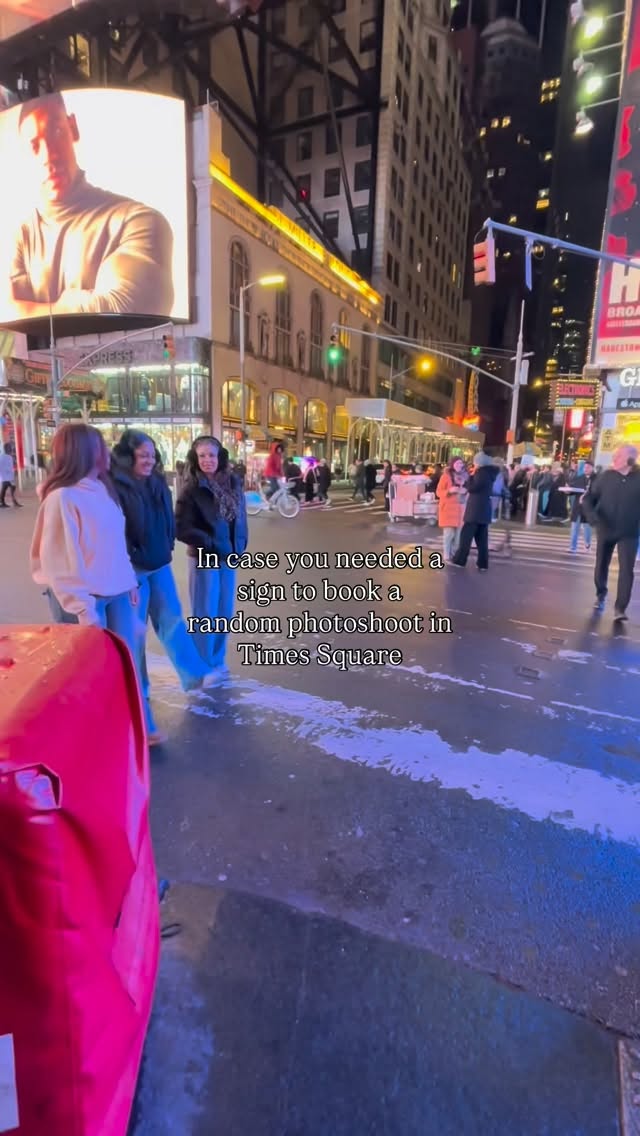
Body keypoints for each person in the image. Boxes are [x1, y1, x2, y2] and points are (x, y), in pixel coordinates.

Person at [29, 422, 164, 744]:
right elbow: (59, 562)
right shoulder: (62, 498)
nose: (106, 452)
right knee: (83, 673)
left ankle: (138, 727)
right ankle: (86, 742)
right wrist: (83, 610)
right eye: (98, 446)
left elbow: (115, 544)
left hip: (116, 591)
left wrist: (129, 582)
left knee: (125, 663)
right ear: (83, 452)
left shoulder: (103, 490)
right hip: (83, 597)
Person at [3, 93, 174, 322]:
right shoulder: (20, 236)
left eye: (55, 133)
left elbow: (126, 305)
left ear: (73, 128)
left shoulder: (137, 220)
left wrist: (30, 309)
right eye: (35, 145)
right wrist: (77, 303)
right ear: (26, 154)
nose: (48, 156)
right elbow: (7, 314)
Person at [111, 429, 209, 697]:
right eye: (143, 455)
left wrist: (167, 545)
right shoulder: (115, 487)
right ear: (127, 456)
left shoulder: (158, 483)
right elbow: (114, 530)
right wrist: (128, 558)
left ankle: (192, 674)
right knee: (136, 631)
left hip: (159, 563)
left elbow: (168, 519)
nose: (149, 461)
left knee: (172, 618)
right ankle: (138, 687)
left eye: (152, 456)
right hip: (132, 569)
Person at [175, 436, 248, 681]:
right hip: (204, 556)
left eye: (212, 455)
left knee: (224, 611)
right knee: (205, 613)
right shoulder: (191, 487)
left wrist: (240, 542)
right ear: (195, 458)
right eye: (202, 456)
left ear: (220, 457)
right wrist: (207, 541)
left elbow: (240, 516)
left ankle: (217, 659)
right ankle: (202, 663)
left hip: (229, 555)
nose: (207, 460)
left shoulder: (233, 482)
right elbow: (181, 527)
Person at [581, 445, 640, 621]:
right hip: (605, 528)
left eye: (618, 456)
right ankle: (601, 593)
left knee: (626, 570)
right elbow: (588, 498)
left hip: (629, 532)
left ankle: (620, 608)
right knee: (601, 564)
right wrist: (591, 516)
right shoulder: (605, 477)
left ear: (630, 460)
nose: (614, 459)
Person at [450, 452, 497, 572]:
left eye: (475, 462)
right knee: (482, 539)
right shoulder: (490, 473)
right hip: (484, 510)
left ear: (479, 463)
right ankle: (483, 563)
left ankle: (460, 560)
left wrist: (470, 477)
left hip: (475, 510)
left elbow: (472, 488)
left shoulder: (481, 473)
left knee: (466, 537)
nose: (474, 464)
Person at [436, 457, 469, 561]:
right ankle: (446, 554)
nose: (460, 465)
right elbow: (438, 492)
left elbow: (470, 489)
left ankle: (455, 553)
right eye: (457, 463)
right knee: (448, 534)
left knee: (459, 536)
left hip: (461, 509)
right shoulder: (445, 476)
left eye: (461, 463)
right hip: (448, 509)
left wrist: (465, 491)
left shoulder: (466, 476)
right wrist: (449, 491)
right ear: (452, 464)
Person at [568, 460, 595, 553]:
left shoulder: (597, 479)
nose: (586, 469)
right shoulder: (579, 478)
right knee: (575, 527)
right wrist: (568, 491)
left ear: (592, 468)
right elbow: (573, 489)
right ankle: (572, 547)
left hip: (589, 507)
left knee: (587, 528)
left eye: (588, 467)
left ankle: (587, 545)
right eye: (585, 467)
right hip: (578, 507)